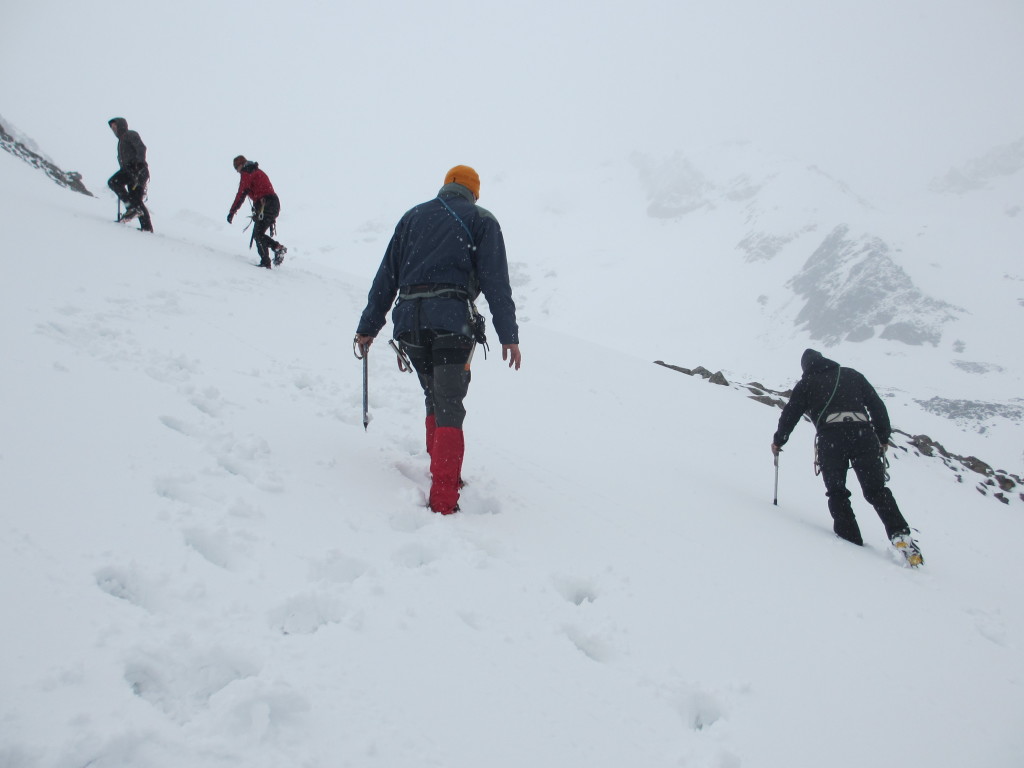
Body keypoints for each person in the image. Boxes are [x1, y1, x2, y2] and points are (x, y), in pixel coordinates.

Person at [354, 165, 522, 515]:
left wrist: (369, 326)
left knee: (434, 395)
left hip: (410, 325)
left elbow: (386, 277)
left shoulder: (412, 218)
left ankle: (440, 469)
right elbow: (495, 282)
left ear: (446, 186)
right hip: (451, 323)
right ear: (474, 192)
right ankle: (445, 496)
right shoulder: (481, 219)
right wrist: (509, 335)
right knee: (449, 403)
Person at [771, 349, 924, 566]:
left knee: (837, 492)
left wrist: (779, 441)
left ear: (806, 368)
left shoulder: (807, 384)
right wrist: (882, 437)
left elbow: (790, 414)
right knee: (877, 491)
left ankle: (851, 540)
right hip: (864, 436)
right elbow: (877, 405)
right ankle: (900, 535)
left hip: (831, 440)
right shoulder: (852, 375)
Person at [226, 155, 287, 269]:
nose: (237, 172)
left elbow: (241, 194)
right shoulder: (255, 170)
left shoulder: (247, 172)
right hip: (272, 203)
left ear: (240, 165)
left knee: (258, 235)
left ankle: (267, 261)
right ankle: (276, 249)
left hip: (266, 204)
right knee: (259, 234)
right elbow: (260, 190)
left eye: (236, 168)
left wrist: (232, 212)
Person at [107, 117, 153, 232]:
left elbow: (141, 148)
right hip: (133, 170)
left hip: (137, 169)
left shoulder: (130, 134)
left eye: (115, 126)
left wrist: (139, 163)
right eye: (112, 127)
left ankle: (131, 208)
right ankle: (146, 227)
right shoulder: (121, 142)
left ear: (121, 125)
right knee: (136, 198)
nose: (113, 129)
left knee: (114, 182)